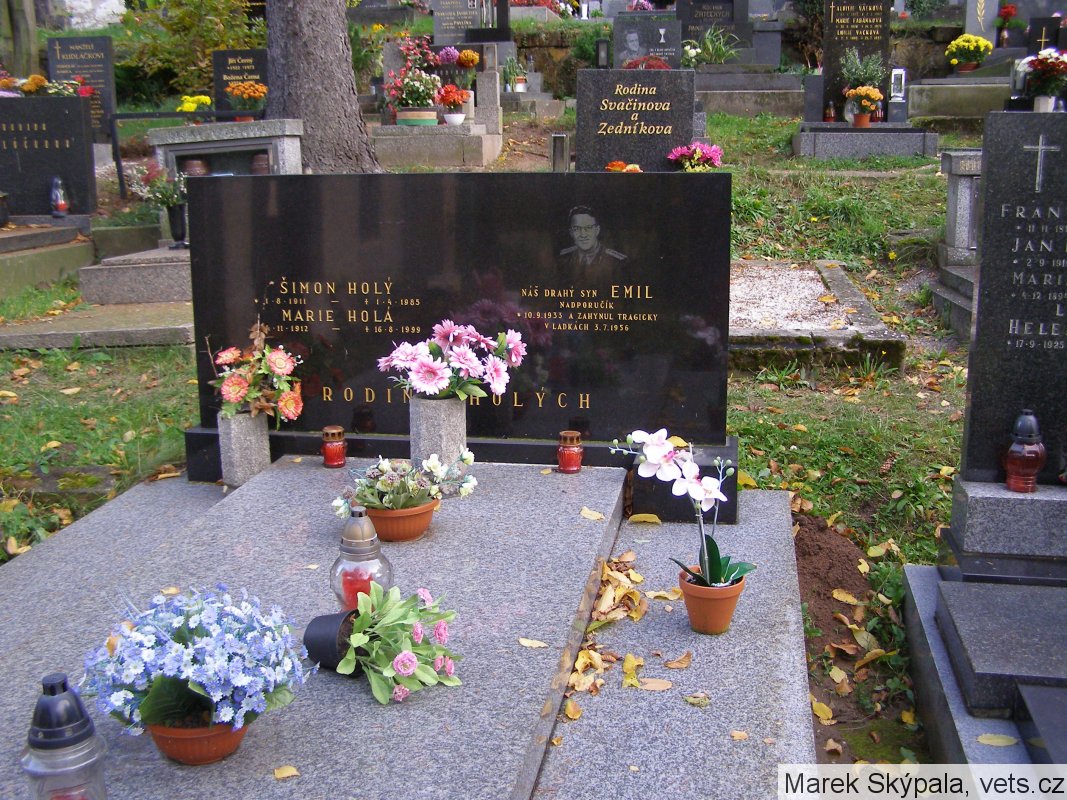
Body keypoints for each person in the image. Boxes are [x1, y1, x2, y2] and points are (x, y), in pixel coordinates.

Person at [557, 206, 627, 284]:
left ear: (597, 230)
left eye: (588, 228)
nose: (583, 234)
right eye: (577, 229)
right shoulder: (563, 259)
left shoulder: (617, 262)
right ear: (571, 233)